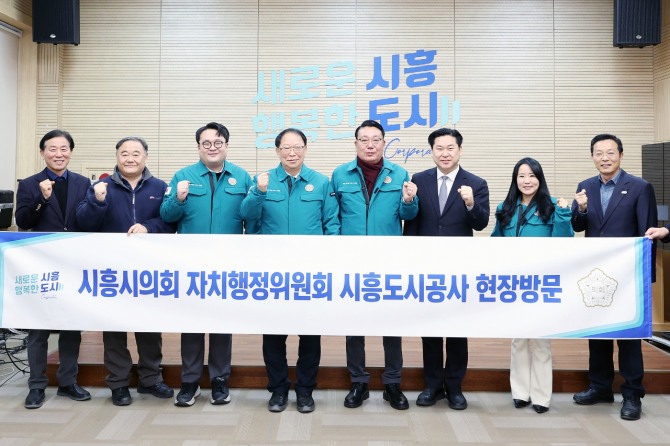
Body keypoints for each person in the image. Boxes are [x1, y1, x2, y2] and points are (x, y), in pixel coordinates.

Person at [241, 128, 339, 413]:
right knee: (273, 335)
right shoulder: (263, 181)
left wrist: (328, 261)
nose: (292, 153)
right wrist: (258, 192)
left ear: (305, 149)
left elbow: (332, 224)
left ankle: (305, 391)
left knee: (310, 335)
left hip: (310, 272)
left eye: (297, 147)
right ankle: (278, 389)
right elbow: (247, 216)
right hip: (272, 273)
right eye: (286, 148)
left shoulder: (321, 182)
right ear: (277, 151)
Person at [160, 122, 255, 407]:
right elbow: (166, 216)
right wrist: (179, 198)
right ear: (199, 146)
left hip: (227, 263)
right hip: (192, 263)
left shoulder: (242, 177)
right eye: (206, 143)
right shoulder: (183, 176)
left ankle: (219, 380)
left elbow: (251, 216)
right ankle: (190, 381)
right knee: (191, 323)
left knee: (221, 322)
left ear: (226, 145)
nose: (212, 148)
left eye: (218, 143)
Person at [76, 136, 175, 406]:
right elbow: (84, 223)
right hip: (113, 270)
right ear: (117, 156)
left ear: (146, 156)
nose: (130, 158)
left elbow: (171, 222)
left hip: (148, 270)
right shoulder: (101, 186)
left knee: (149, 327)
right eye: (124, 153)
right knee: (114, 330)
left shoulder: (160, 187)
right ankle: (118, 383)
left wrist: (149, 227)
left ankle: (151, 379)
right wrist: (97, 201)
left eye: (136, 153)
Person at [331, 119, 418, 410]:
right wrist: (338, 249)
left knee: (391, 324)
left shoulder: (399, 173)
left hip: (388, 260)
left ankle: (393, 383)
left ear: (383, 143)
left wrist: (409, 201)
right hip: (352, 261)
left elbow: (408, 215)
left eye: (375, 140)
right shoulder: (340, 174)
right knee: (354, 325)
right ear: (356, 143)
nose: (370, 145)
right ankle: (359, 382)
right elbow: (333, 217)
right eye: (364, 140)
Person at [571, 133, 658, 421]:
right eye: (599, 153)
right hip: (596, 275)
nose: (605, 158)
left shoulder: (640, 187)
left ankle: (632, 394)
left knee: (628, 337)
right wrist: (581, 208)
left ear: (620, 155)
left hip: (628, 276)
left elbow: (648, 234)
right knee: (597, 333)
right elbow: (578, 226)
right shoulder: (585, 187)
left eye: (610, 152)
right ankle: (600, 387)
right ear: (592, 157)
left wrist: (645, 277)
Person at [403, 127, 489, 410]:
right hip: (426, 267)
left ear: (460, 150)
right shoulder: (419, 180)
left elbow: (481, 223)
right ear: (432, 151)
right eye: (439, 148)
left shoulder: (475, 183)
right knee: (429, 329)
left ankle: (454, 387)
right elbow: (412, 224)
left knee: (456, 330)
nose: (445, 153)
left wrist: (470, 203)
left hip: (458, 269)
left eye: (450, 148)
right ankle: (432, 385)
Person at [15, 129, 91, 409]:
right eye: (52, 149)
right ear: (42, 152)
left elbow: (87, 220)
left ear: (71, 152)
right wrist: (42, 199)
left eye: (64, 149)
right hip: (41, 264)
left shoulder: (84, 183)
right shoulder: (29, 184)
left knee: (71, 327)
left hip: (73, 264)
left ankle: (68, 382)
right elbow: (23, 221)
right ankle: (36, 386)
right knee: (39, 330)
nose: (59, 154)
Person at [491, 157, 573, 414]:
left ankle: (541, 396)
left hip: (542, 283)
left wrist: (563, 214)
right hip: (514, 283)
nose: (527, 181)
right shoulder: (505, 208)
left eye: (532, 176)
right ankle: (520, 393)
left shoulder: (553, 206)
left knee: (540, 340)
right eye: (522, 176)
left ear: (540, 179)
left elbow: (564, 242)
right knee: (518, 339)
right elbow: (495, 243)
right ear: (515, 180)